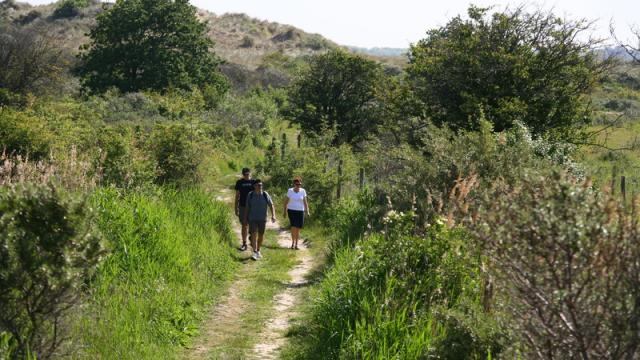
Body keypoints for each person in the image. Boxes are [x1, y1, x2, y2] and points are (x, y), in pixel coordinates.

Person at [244, 179, 276, 260]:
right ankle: (254, 252)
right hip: (252, 219)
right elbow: (247, 207)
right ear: (254, 186)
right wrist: (245, 218)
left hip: (263, 219)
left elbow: (271, 205)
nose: (260, 186)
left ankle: (258, 250)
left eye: (261, 185)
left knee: (261, 235)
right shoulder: (250, 195)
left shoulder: (265, 194)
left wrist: (273, 215)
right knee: (254, 234)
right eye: (258, 185)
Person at [283, 177, 310, 250]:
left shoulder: (303, 191)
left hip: (300, 211)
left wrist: (307, 211)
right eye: (297, 184)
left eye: (299, 184)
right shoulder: (290, 191)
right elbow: (286, 202)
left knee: (298, 228)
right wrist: (284, 211)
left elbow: (305, 202)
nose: (298, 185)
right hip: (291, 210)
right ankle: (293, 243)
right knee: (293, 227)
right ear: (294, 184)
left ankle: (296, 244)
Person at [234, 167, 255, 251]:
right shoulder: (239, 182)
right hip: (242, 206)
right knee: (244, 225)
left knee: (253, 225)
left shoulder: (253, 182)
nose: (246, 176)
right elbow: (237, 195)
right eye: (245, 174)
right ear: (242, 174)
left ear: (250, 173)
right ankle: (244, 243)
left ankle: (251, 239)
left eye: (248, 174)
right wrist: (236, 208)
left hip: (252, 207)